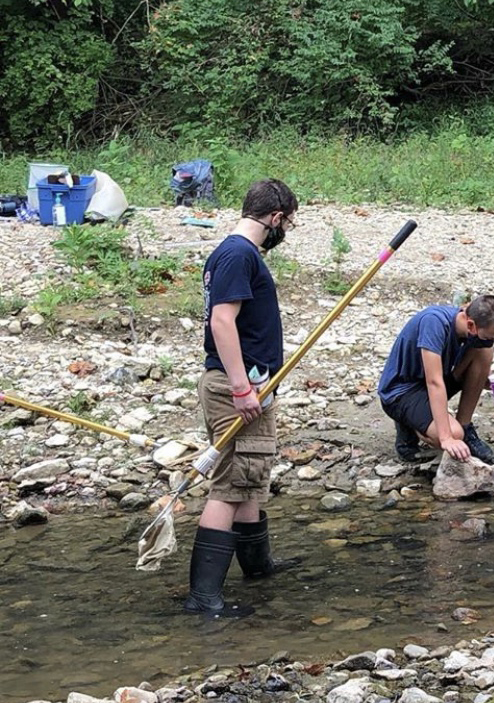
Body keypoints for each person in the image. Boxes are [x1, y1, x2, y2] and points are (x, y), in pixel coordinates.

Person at [185, 179, 300, 617]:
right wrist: (241, 388)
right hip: (237, 387)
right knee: (230, 484)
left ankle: (258, 568)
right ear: (275, 218)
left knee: (251, 474)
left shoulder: (240, 254)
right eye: (288, 221)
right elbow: (221, 322)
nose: (286, 229)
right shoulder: (237, 253)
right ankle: (203, 598)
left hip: (254, 384)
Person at [378, 295, 494, 464]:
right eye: (488, 338)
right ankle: (408, 427)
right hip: (402, 392)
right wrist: (446, 437)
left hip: (432, 381)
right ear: (471, 325)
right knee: (454, 434)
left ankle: (465, 426)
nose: (489, 342)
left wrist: (486, 381)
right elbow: (434, 382)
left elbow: (461, 369)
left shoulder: (469, 331)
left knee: (484, 352)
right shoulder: (434, 323)